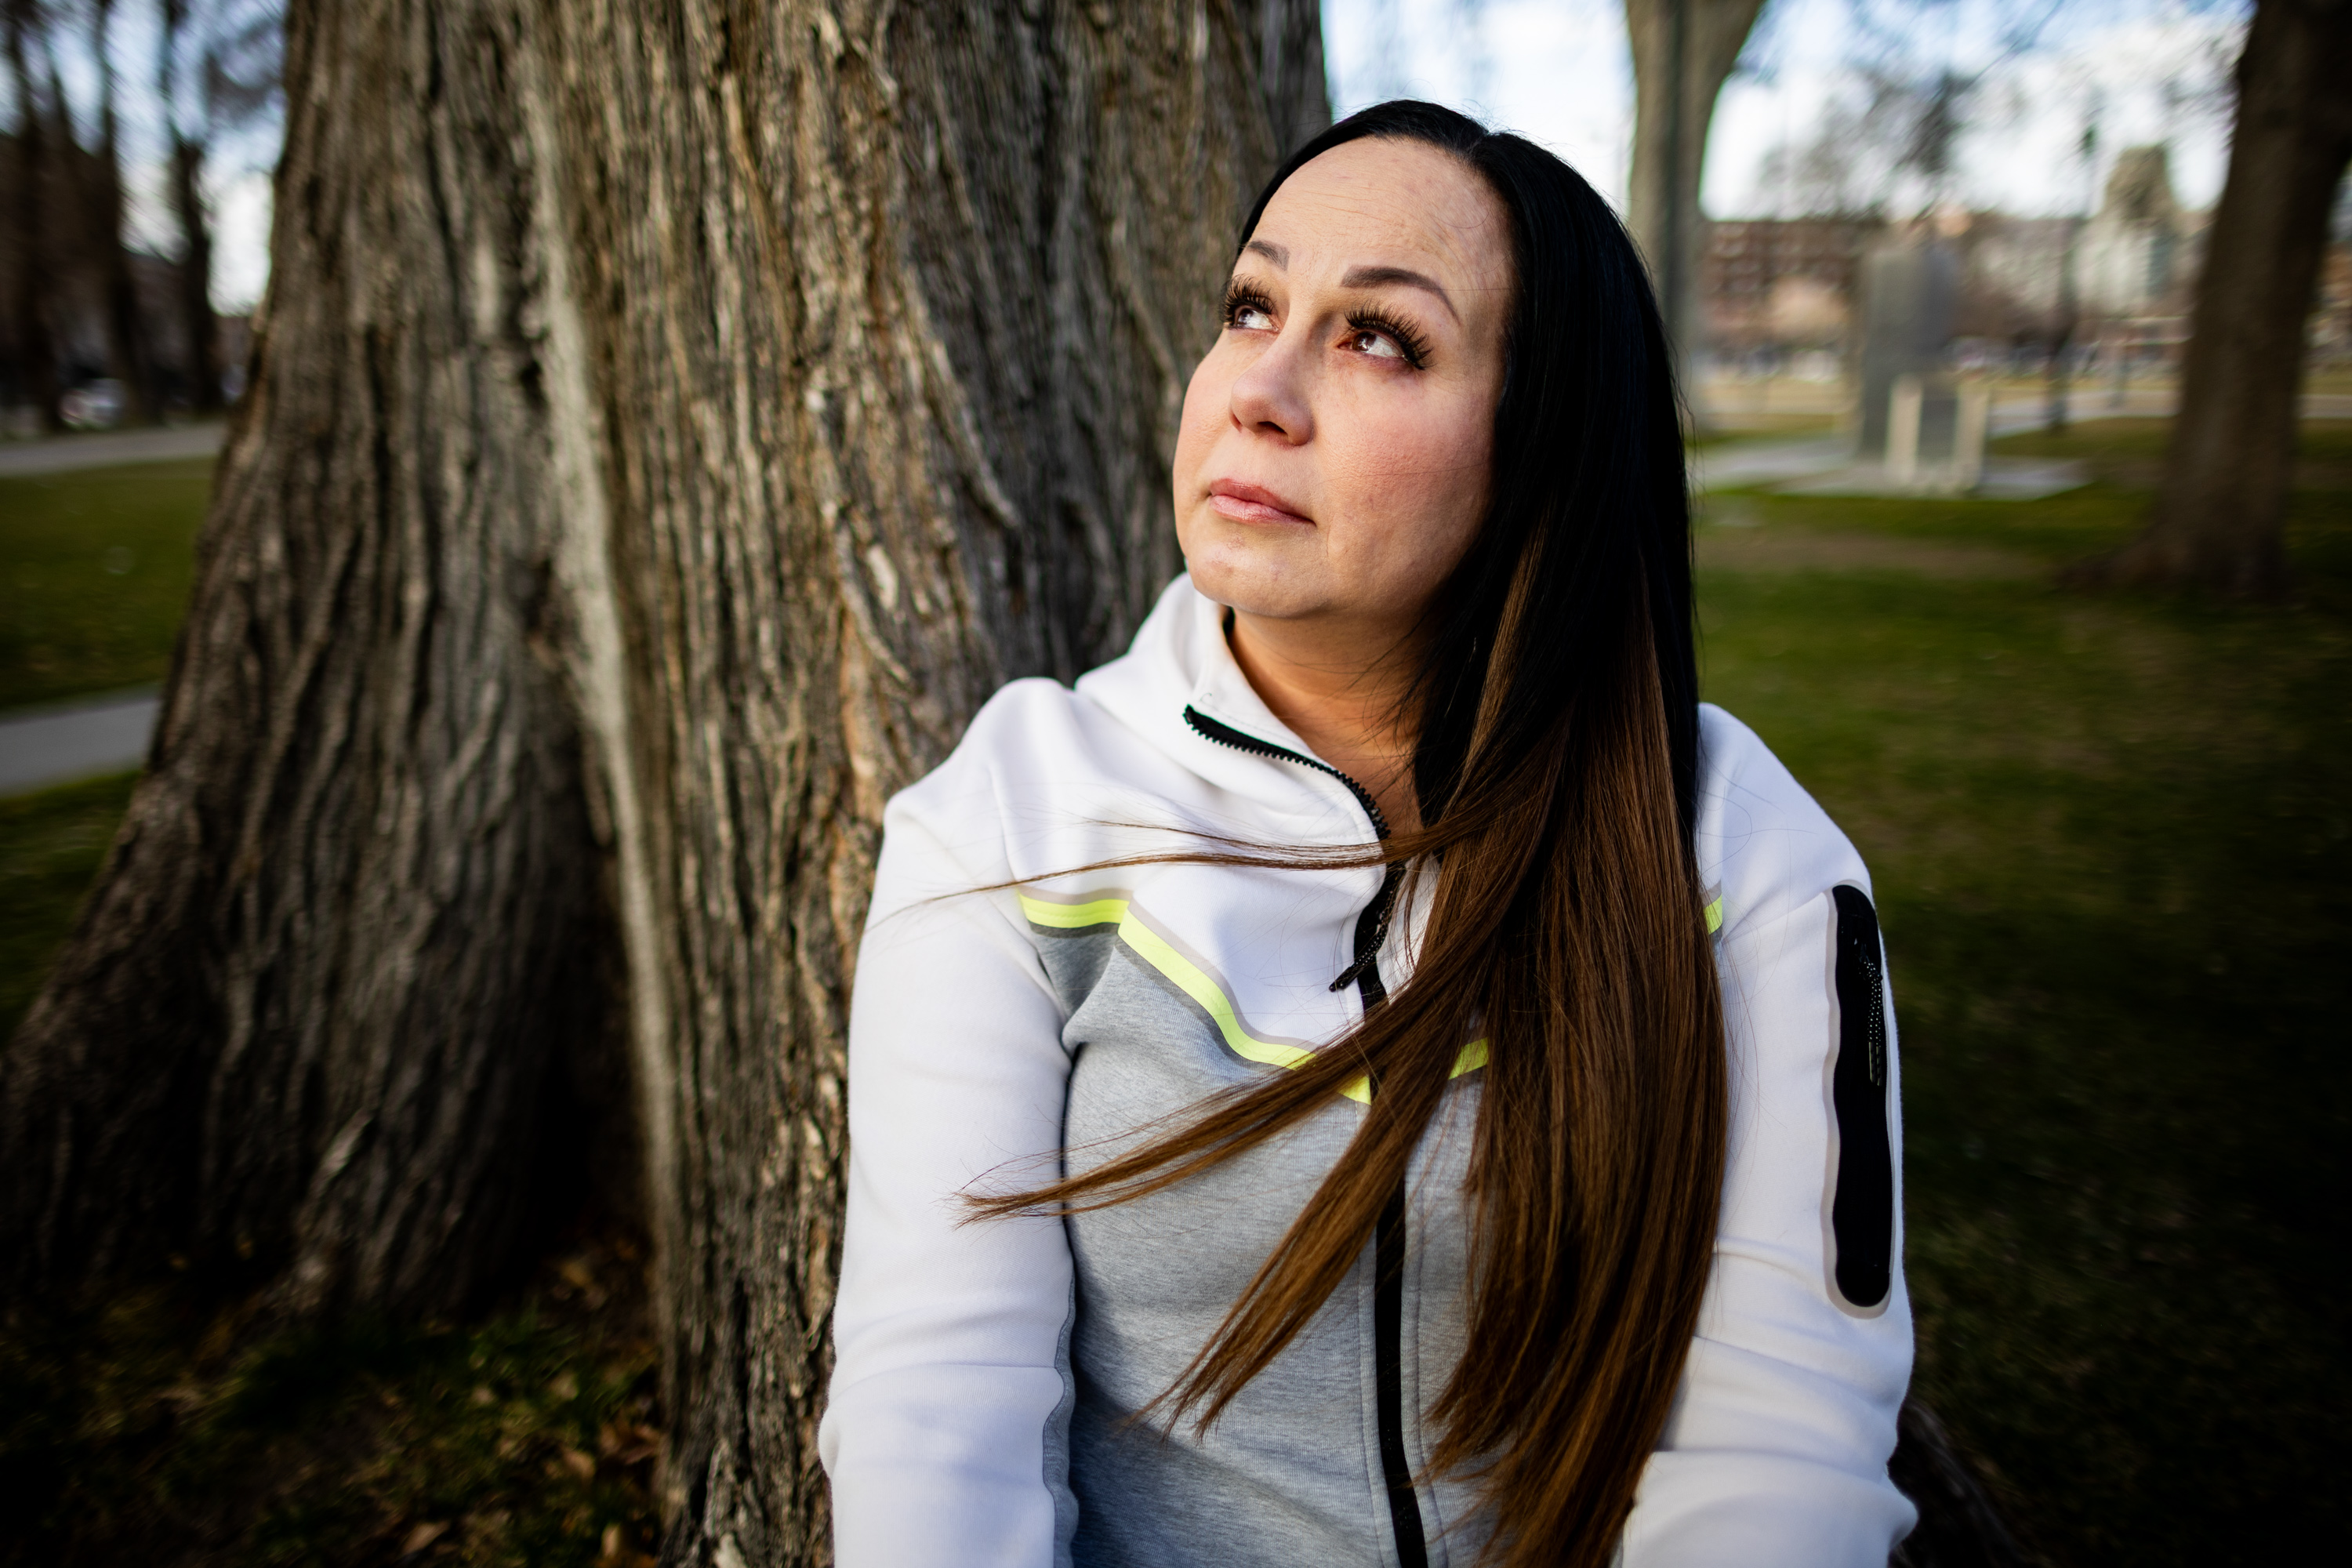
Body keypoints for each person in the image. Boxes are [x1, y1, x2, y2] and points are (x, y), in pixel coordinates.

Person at [817, 101, 1914, 1568]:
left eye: (1379, 338)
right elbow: (936, 1417)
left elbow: (1781, 1447)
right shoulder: (1015, 816)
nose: (1258, 390)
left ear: (1539, 450)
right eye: (1251, 306)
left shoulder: (1734, 847)